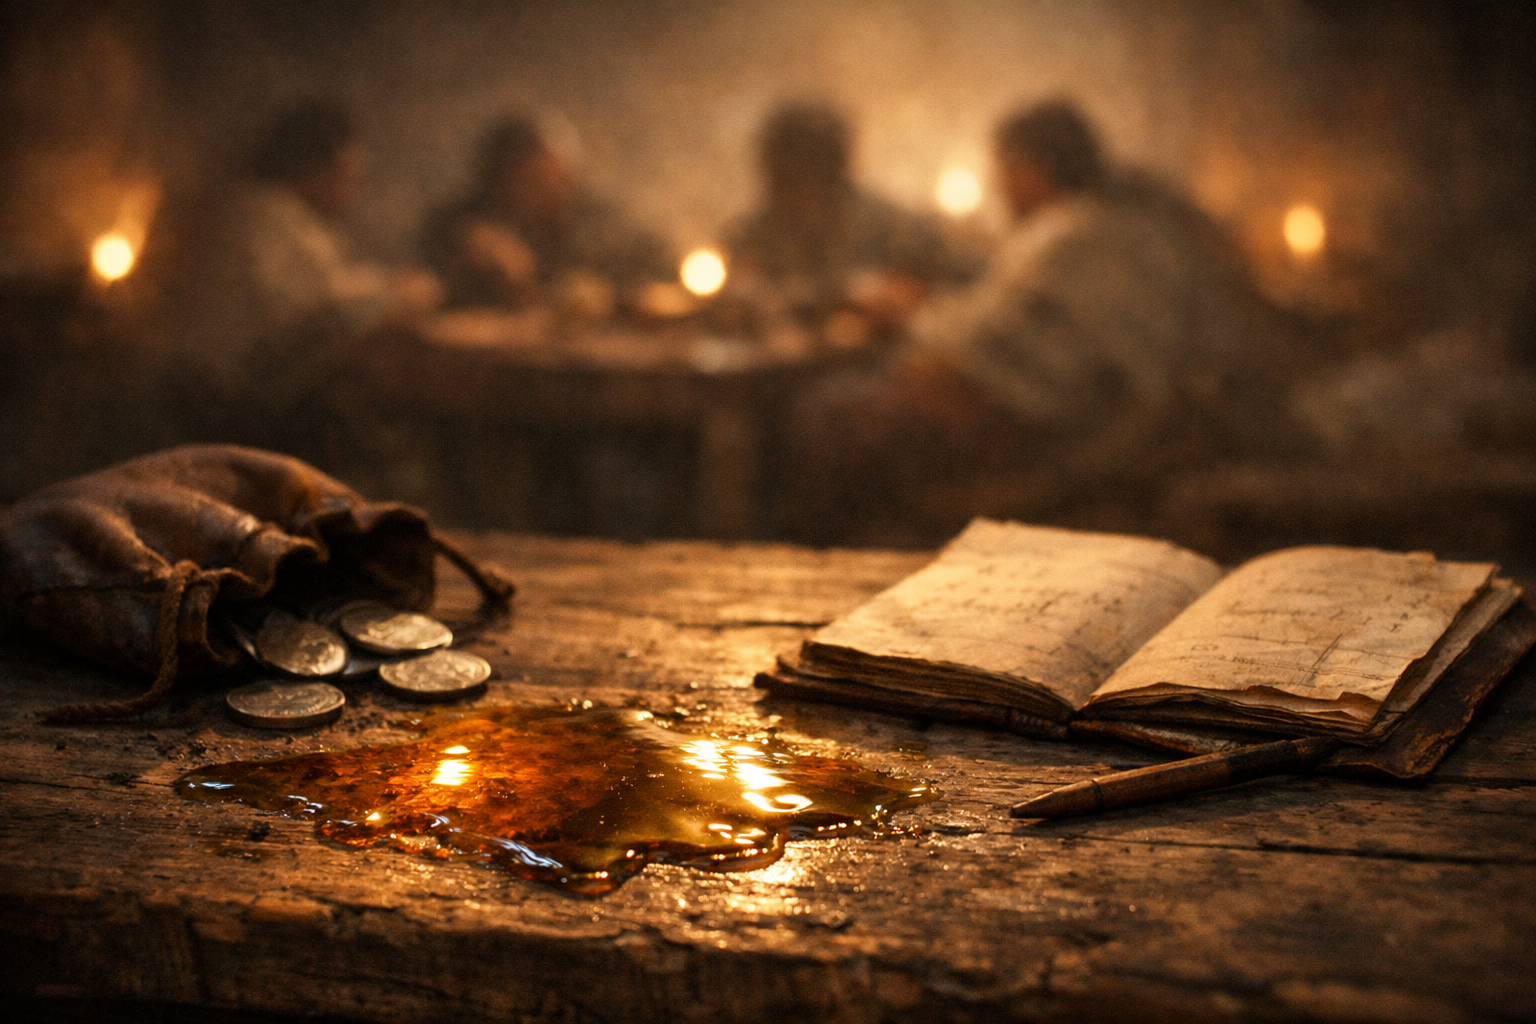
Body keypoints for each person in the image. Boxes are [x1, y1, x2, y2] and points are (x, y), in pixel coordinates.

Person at [776, 99, 1314, 544]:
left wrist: (908, 312)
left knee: (826, 416)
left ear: (1034, 169)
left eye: (1007, 170)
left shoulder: (1069, 234)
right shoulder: (1126, 229)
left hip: (1049, 432)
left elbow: (988, 339)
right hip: (1088, 419)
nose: (1002, 186)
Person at [173, 99, 440, 393]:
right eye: (347, 172)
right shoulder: (263, 221)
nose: (354, 187)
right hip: (224, 398)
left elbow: (331, 288)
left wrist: (392, 288)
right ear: (314, 170)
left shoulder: (277, 216)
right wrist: (397, 297)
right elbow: (321, 317)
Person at [725, 101, 978, 320]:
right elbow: (736, 300)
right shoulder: (752, 232)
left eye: (807, 170)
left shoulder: (887, 222)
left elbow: (960, 279)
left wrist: (907, 295)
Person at [418, 115, 676, 315]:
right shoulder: (461, 225)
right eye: (533, 180)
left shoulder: (595, 221)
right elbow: (423, 287)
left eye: (559, 177)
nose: (552, 189)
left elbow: (655, 267)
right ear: (500, 181)